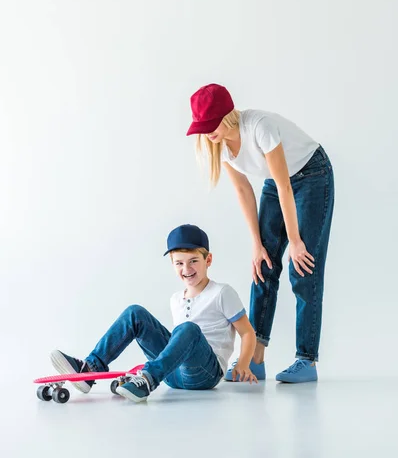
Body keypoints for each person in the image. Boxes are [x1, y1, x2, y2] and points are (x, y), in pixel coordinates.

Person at [187, 84, 334, 383]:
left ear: (226, 115)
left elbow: (285, 186)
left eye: (210, 124)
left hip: (312, 175)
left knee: (303, 267)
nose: (207, 132)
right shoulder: (220, 146)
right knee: (263, 266)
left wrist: (294, 241)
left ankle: (307, 361)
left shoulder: (259, 127)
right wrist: (257, 245)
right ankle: (255, 359)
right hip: (276, 181)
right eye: (201, 127)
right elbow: (243, 190)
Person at [50, 224, 258, 402]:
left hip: (204, 374)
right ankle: (90, 368)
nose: (186, 268)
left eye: (193, 261)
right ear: (173, 264)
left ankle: (147, 380)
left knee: (188, 329)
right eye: (179, 263)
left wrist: (242, 363)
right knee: (135, 313)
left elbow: (247, 333)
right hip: (171, 374)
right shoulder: (176, 299)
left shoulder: (222, 292)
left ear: (208, 260)